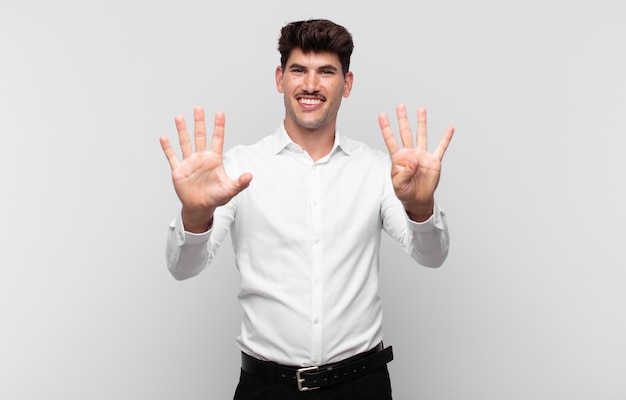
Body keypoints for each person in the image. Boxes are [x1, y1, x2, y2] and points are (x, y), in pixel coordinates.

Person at [159, 18, 454, 400]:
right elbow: (183, 268)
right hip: (267, 390)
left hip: (361, 388)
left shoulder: (378, 170)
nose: (311, 85)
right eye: (299, 70)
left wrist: (420, 206)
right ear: (280, 78)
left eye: (326, 71)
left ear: (346, 84)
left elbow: (432, 256)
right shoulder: (235, 169)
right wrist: (195, 216)